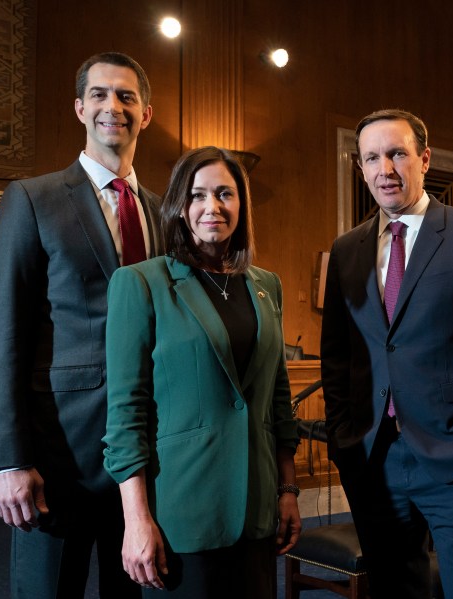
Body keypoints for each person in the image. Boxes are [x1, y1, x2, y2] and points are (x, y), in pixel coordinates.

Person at [0, 52, 161, 597]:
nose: (114, 107)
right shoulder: (32, 200)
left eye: (127, 96)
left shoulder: (164, 212)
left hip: (146, 457)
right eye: (100, 95)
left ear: (145, 114)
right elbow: (2, 333)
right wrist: (9, 458)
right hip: (58, 458)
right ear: (80, 108)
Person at [321, 109, 453, 598]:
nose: (385, 169)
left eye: (397, 154)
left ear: (424, 159)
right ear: (360, 168)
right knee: (394, 588)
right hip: (373, 456)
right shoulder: (346, 249)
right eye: (372, 158)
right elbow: (337, 356)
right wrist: (344, 440)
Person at [102, 146, 301, 597]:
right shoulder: (140, 284)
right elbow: (126, 413)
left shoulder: (266, 286)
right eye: (198, 195)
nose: (212, 207)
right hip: (182, 511)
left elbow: (277, 397)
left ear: (241, 206)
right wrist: (135, 521)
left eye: (225, 194)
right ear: (178, 206)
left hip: (257, 508)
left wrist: (287, 489)